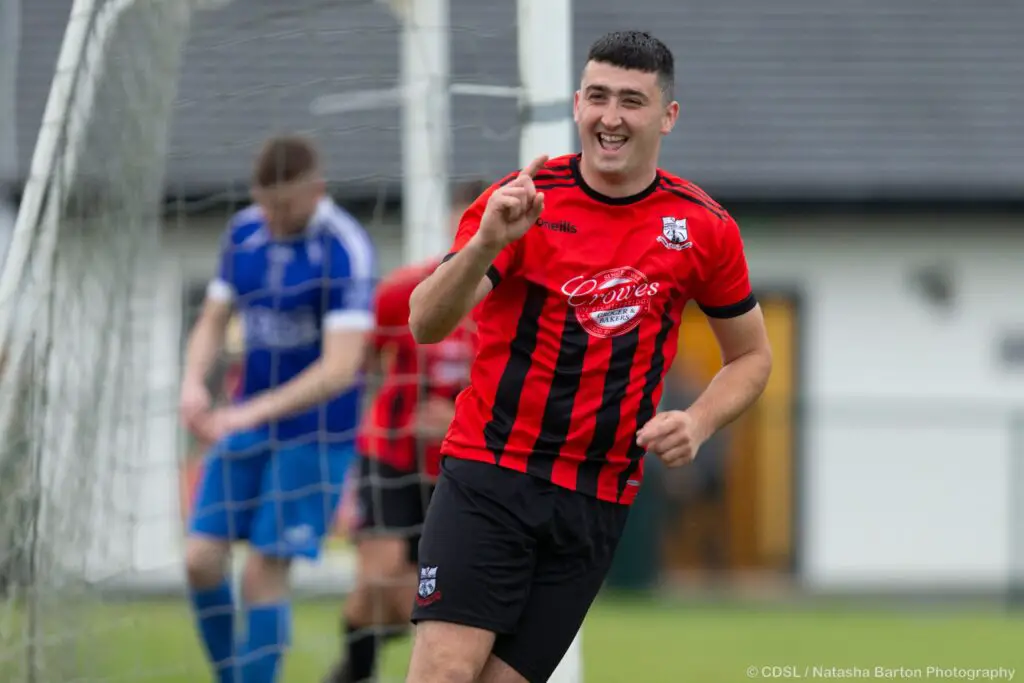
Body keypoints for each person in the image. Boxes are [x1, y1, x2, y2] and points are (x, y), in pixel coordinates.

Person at [405, 30, 774, 683]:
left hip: (596, 499)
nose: (611, 117)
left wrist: (698, 420)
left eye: (632, 101)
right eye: (598, 96)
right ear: (577, 104)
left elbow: (750, 357)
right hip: (490, 475)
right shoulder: (522, 201)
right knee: (444, 672)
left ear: (668, 116)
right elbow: (426, 322)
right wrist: (486, 241)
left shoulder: (702, 227)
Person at [179, 134, 376, 683]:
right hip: (247, 421)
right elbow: (215, 317)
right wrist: (193, 381)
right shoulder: (244, 231)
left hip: (314, 436)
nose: (272, 217)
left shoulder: (345, 247)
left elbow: (341, 368)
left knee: (263, 572)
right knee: (200, 559)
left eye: (284, 207)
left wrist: (250, 411)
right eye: (265, 204)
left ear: (317, 191)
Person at [323, 182, 484, 683]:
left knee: (417, 598)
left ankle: (360, 660)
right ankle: (355, 668)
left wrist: (454, 417)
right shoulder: (407, 289)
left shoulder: (510, 305)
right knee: (379, 578)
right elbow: (356, 354)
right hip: (391, 454)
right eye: (462, 227)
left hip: (459, 466)